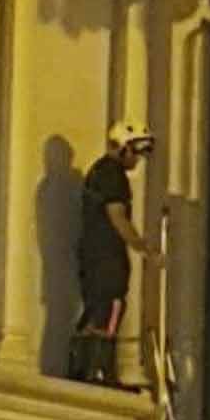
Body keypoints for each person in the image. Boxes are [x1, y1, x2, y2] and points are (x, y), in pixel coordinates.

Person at [70, 121, 161, 387]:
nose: (137, 159)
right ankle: (99, 371)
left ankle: (81, 369)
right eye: (136, 151)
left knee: (96, 309)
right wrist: (145, 248)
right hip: (107, 256)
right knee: (110, 309)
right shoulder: (113, 175)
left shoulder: (97, 171)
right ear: (123, 148)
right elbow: (117, 216)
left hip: (91, 255)